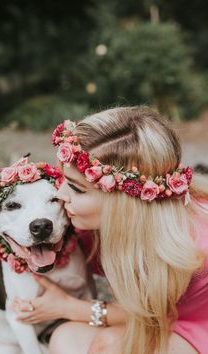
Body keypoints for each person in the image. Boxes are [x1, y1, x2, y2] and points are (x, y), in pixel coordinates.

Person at [12, 106, 208, 354]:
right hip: (153, 318)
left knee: (108, 346)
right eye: (63, 180)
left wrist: (68, 307)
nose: (61, 195)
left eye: (78, 189)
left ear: (123, 202)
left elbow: (154, 314)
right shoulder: (85, 222)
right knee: (66, 339)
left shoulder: (194, 245)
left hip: (195, 327)